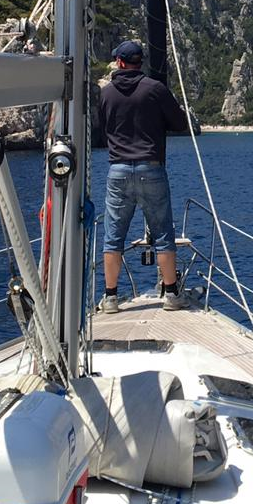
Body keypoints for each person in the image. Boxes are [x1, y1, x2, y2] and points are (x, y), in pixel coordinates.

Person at [97, 39, 191, 312]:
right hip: (151, 168)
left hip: (118, 169)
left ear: (119, 62)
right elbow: (179, 123)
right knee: (163, 234)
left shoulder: (107, 93)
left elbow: (103, 127)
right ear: (140, 62)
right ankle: (172, 295)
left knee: (113, 237)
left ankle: (111, 298)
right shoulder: (155, 89)